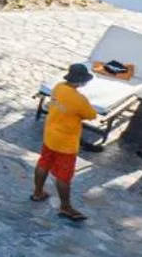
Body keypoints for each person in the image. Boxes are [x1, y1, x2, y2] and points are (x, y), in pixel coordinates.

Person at [33, 63, 100, 222]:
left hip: (50, 135)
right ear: (81, 81)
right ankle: (65, 207)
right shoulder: (79, 100)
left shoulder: (58, 87)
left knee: (43, 163)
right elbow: (91, 115)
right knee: (63, 176)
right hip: (66, 144)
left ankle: (38, 193)